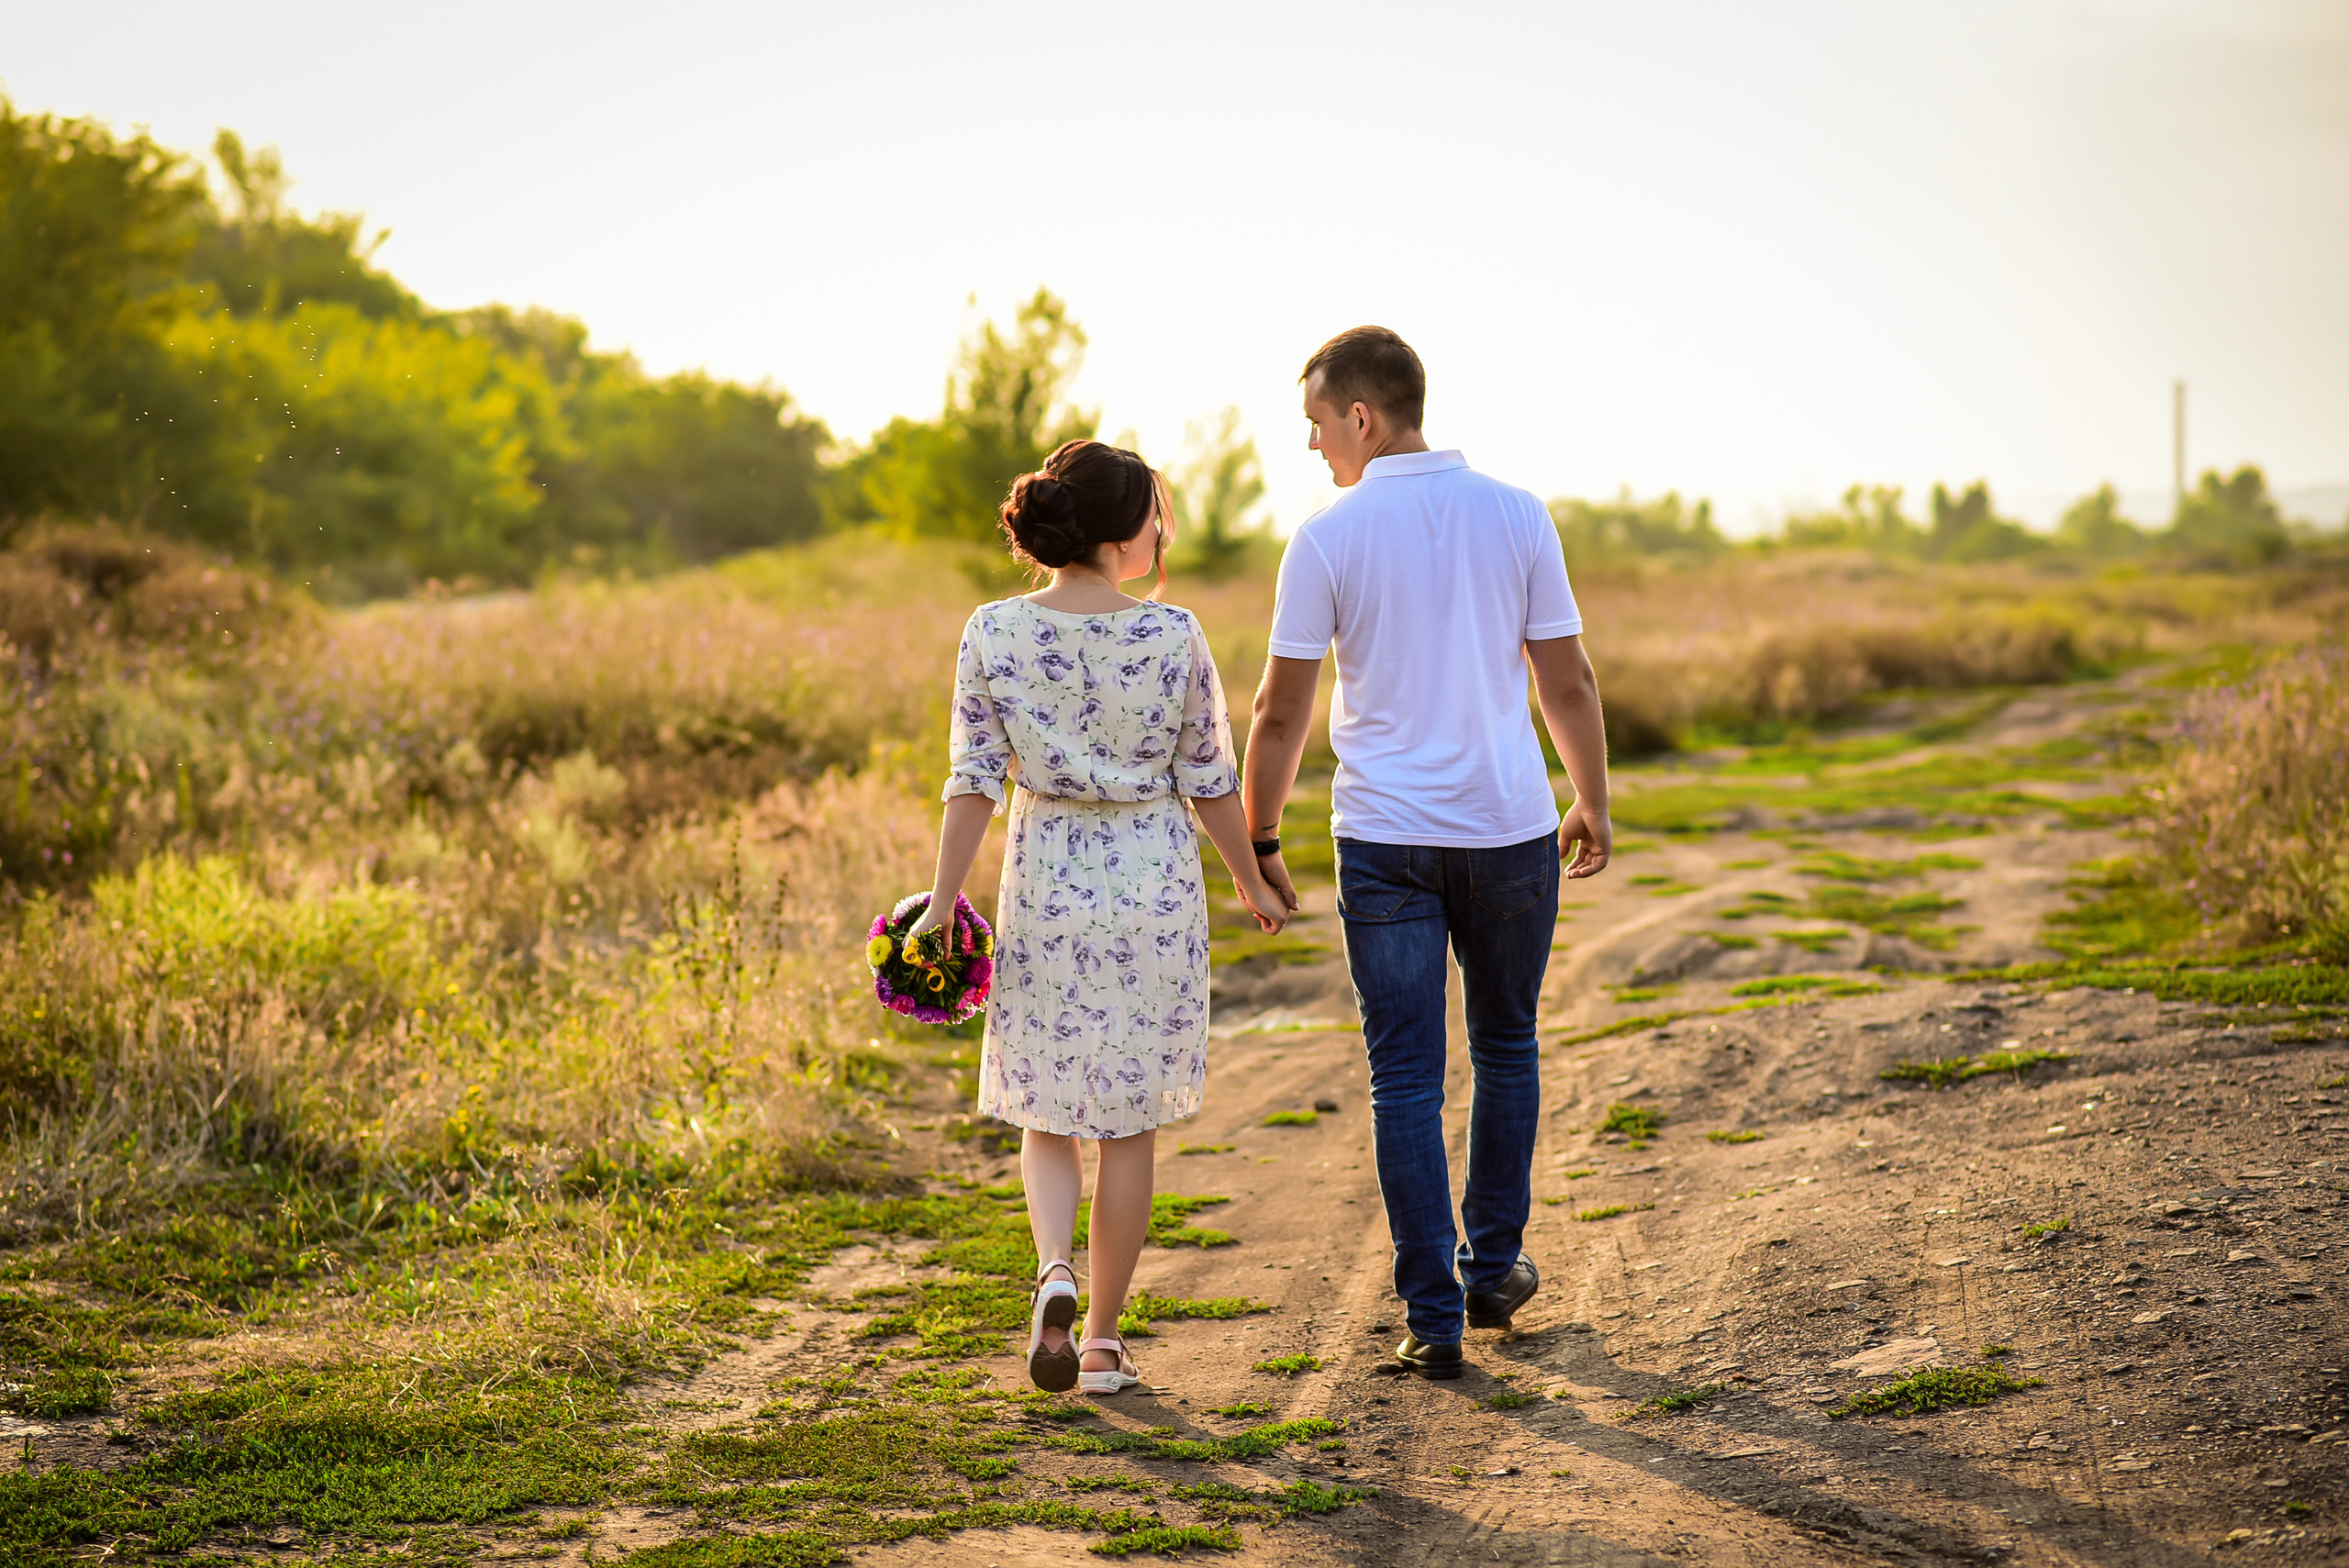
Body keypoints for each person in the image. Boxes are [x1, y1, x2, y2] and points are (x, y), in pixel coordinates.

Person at [1240, 327, 1613, 1379]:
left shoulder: (1326, 537)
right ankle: (1491, 1268)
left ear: (1361, 416)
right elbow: (1566, 679)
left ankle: (1433, 1315)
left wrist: (1260, 837)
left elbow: (1278, 713)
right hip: (1507, 827)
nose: (1313, 444)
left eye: (1317, 423)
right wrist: (1589, 796)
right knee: (1505, 1043)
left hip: (1385, 840)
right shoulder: (1517, 512)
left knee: (1402, 1074)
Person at [906, 439, 1289, 1396]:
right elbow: (1209, 779)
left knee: (1046, 1107)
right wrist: (1251, 880)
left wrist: (943, 900)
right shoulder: (1174, 634)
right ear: (1127, 530)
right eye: (1157, 514)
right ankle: (1106, 1342)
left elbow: (972, 779)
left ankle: (1053, 1271)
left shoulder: (992, 629)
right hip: (1151, 880)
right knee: (1128, 1125)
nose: (1162, 530)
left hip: (1047, 877)